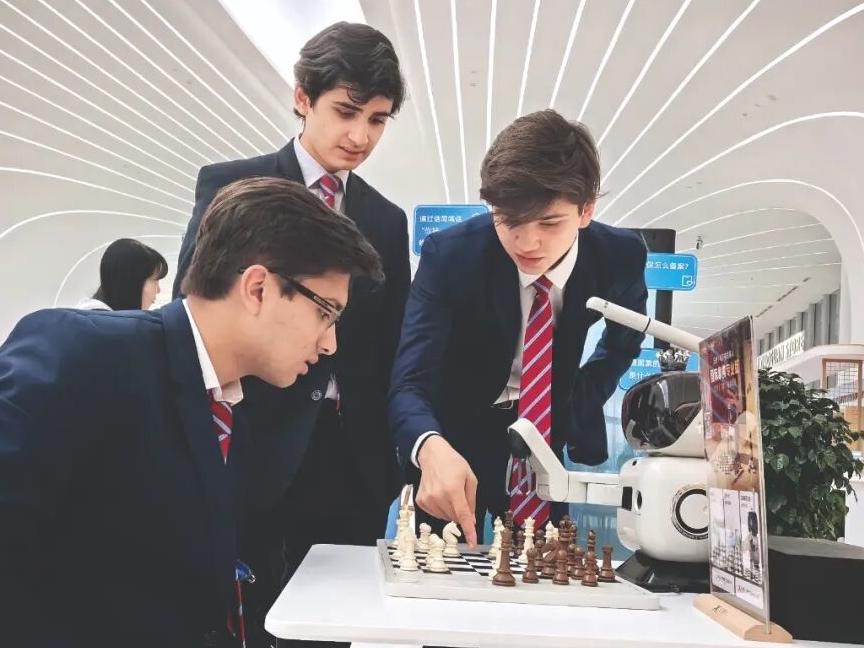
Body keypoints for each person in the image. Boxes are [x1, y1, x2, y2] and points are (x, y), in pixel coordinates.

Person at [0, 177, 382, 648]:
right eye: (326, 313)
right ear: (258, 288)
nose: (330, 344)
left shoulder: (229, 405)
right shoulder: (82, 356)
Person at [172, 21, 410, 643]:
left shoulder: (387, 220)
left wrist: (388, 466)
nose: (360, 136)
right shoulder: (231, 186)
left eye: (378, 120)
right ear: (303, 97)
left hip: (347, 461)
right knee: (240, 619)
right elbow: (192, 315)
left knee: (331, 625)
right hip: (250, 440)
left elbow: (391, 348)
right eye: (346, 112)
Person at [389, 110, 648, 544]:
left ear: (586, 210)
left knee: (543, 567)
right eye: (509, 220)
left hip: (545, 435)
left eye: (549, 223)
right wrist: (429, 445)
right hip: (453, 435)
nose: (527, 243)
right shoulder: (450, 257)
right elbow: (409, 379)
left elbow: (625, 340)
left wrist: (575, 399)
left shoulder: (619, 256)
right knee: (437, 565)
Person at [77, 238, 168, 310]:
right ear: (132, 283)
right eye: (155, 281)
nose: (158, 290)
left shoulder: (91, 318)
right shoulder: (109, 326)